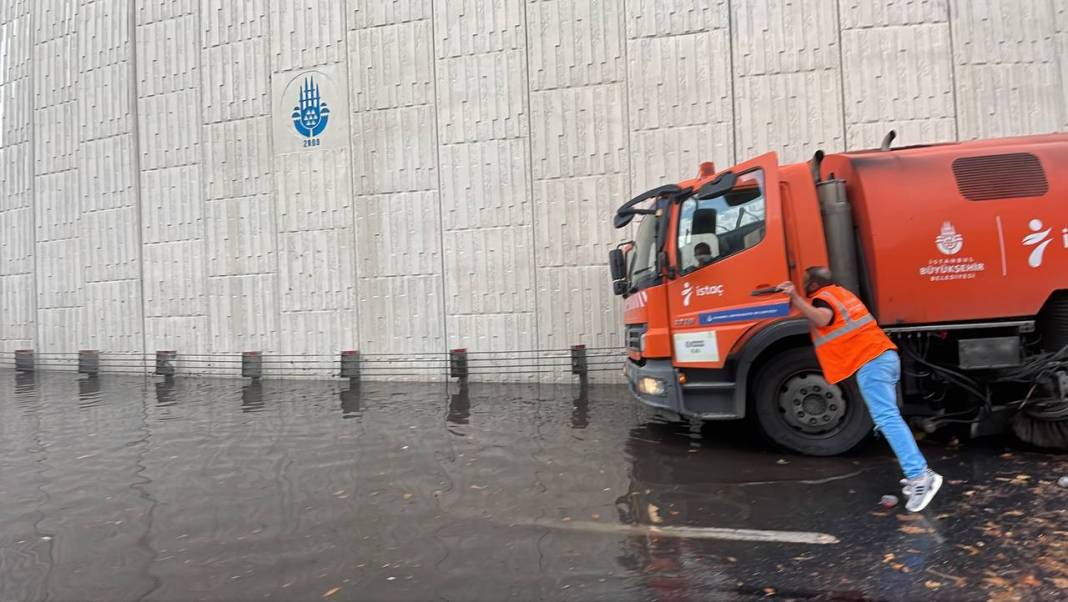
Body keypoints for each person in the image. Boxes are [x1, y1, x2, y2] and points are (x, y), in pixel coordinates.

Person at [777, 266, 943, 512]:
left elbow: (823, 318)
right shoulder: (841, 294)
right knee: (889, 418)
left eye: (804, 283)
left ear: (812, 285)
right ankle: (919, 472)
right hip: (882, 357)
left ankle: (920, 477)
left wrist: (795, 297)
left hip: (870, 362)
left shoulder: (821, 298)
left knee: (887, 418)